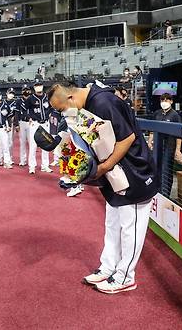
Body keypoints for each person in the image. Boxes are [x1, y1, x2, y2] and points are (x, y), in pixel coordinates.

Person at [47, 82, 158, 294]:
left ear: (70, 98)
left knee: (130, 227)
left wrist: (103, 167)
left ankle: (126, 276)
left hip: (134, 173)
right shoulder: (86, 103)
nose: (62, 113)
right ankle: (108, 267)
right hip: (115, 174)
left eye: (61, 109)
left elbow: (127, 138)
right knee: (112, 224)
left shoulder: (103, 102)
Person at [150, 93, 182, 197]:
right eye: (162, 100)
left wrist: (178, 149)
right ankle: (156, 192)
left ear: (171, 101)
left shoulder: (175, 115)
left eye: (167, 100)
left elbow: (179, 134)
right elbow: (152, 129)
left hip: (169, 146)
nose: (164, 102)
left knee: (166, 170)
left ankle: (165, 195)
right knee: (156, 169)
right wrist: (150, 141)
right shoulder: (157, 114)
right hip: (157, 146)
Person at [25, 79, 52, 174]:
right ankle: (32, 166)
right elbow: (25, 109)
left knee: (46, 144)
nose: (38, 86)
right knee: (33, 145)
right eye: (36, 85)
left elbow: (51, 107)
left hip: (45, 123)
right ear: (34, 87)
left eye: (40, 84)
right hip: (35, 123)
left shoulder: (47, 97)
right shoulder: (30, 98)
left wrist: (49, 114)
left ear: (42, 86)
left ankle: (45, 166)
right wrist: (29, 117)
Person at [0, 88, 17, 166]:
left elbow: (16, 114)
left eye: (12, 93)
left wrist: (14, 122)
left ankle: (9, 158)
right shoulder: (2, 102)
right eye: (10, 93)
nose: (11, 95)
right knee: (2, 142)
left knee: (10, 142)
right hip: (3, 123)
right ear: (7, 93)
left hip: (11, 123)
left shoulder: (15, 103)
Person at [15, 84, 32, 167]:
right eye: (24, 90)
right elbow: (17, 113)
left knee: (31, 142)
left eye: (27, 89)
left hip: (30, 122)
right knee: (22, 142)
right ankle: (23, 160)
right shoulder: (18, 101)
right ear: (22, 91)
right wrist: (16, 124)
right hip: (22, 122)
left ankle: (31, 161)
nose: (26, 91)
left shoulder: (32, 99)